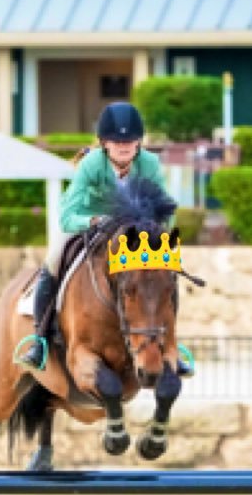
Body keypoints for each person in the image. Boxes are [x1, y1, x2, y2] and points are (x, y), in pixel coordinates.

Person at [17, 101, 180, 371]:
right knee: (54, 260)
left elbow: (166, 208)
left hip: (131, 229)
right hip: (85, 221)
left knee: (165, 268)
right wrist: (94, 220)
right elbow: (67, 216)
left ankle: (171, 343)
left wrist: (152, 226)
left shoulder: (149, 163)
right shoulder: (91, 165)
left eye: (130, 140)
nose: (124, 145)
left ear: (139, 142)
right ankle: (40, 340)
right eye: (117, 140)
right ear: (104, 142)